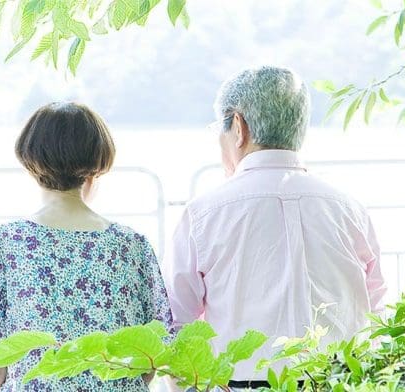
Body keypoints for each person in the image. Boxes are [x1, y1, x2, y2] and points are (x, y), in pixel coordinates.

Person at [162, 66, 387, 388]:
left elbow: (178, 323)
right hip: (339, 380)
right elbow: (375, 309)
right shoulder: (349, 210)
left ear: (238, 127)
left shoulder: (204, 214)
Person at [0, 102, 172, 392]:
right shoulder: (131, 245)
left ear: (30, 159)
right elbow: (149, 359)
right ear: (97, 163)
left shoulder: (4, 242)